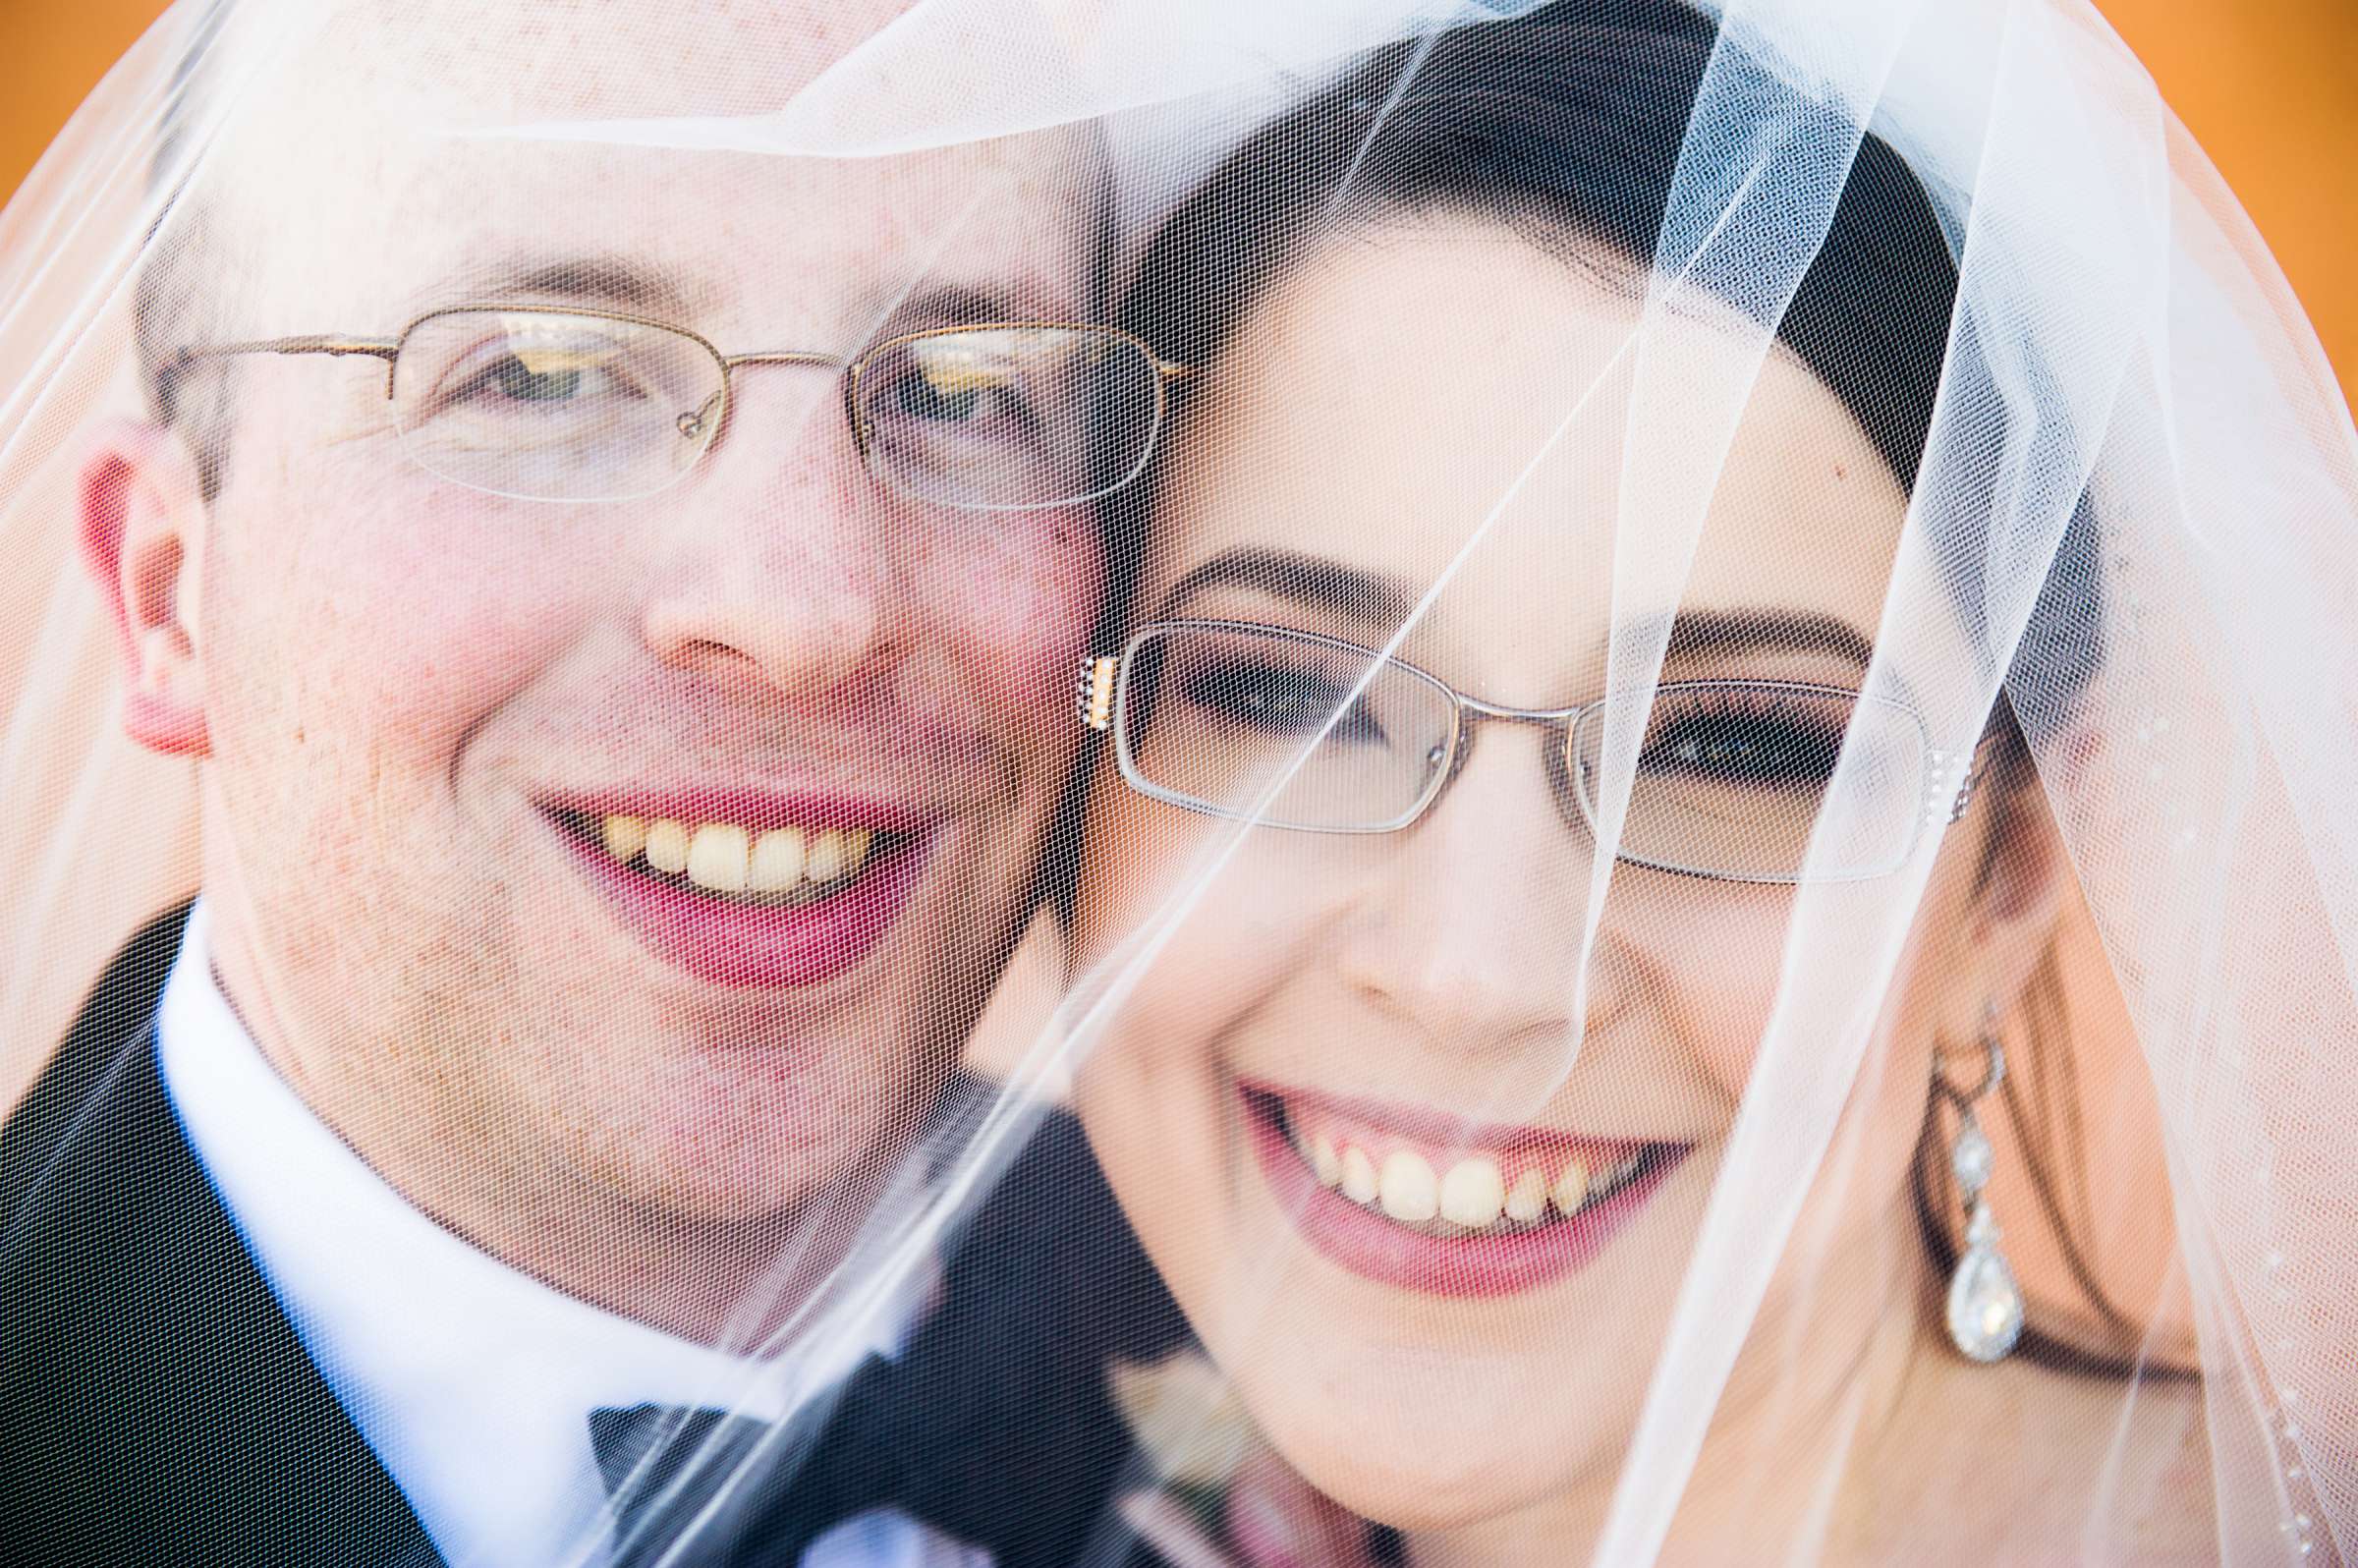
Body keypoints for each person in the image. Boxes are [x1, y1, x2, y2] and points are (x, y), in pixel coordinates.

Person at [1042, 2, 2352, 1562]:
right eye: (1292, 696)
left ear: (2007, 883)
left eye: (1730, 749)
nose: (1474, 978)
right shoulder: (923, 1469)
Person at [0, 0, 1181, 1562]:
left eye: (961, 393)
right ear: (169, 593)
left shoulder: (1288, 1328)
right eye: (544, 376)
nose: (806, 612)